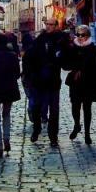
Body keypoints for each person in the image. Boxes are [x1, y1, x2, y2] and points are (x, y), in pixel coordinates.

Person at [24, 18, 69, 146]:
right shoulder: (39, 40)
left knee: (54, 110)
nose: (48, 26)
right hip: (39, 80)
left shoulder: (61, 39)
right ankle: (36, 129)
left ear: (56, 25)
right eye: (47, 24)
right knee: (37, 107)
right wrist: (29, 75)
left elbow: (66, 57)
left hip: (53, 81)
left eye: (51, 24)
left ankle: (53, 136)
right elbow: (29, 57)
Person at [64, 24, 96, 145]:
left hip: (88, 83)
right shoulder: (73, 48)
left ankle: (87, 134)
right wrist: (75, 69)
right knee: (75, 106)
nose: (80, 37)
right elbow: (68, 63)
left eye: (83, 35)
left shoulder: (93, 49)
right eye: (78, 35)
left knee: (87, 108)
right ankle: (76, 125)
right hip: (75, 83)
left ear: (88, 35)